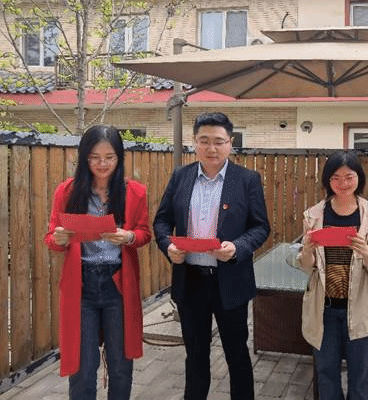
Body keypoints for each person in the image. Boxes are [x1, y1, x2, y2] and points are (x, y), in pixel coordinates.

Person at [153, 112, 270, 400]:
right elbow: (162, 221)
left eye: (219, 141)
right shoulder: (181, 176)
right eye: (204, 141)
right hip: (191, 280)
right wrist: (168, 247)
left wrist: (237, 247)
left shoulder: (247, 179)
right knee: (195, 355)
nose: (211, 148)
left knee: (237, 354)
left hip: (230, 279)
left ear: (230, 143)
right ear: (194, 142)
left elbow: (260, 227)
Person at [44, 125, 151, 399]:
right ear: (84, 157)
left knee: (120, 363)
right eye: (94, 157)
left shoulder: (134, 192)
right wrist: (60, 238)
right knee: (82, 366)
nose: (102, 164)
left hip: (118, 284)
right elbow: (52, 238)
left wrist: (129, 236)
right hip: (82, 284)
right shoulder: (67, 191)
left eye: (109, 157)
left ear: (119, 158)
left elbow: (144, 233)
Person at [295, 150, 368, 400]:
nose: (343, 183)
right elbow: (307, 267)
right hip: (324, 309)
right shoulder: (314, 215)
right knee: (326, 374)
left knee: (359, 377)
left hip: (361, 309)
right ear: (328, 181)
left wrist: (366, 250)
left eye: (349, 177)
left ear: (359, 177)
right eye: (335, 178)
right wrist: (307, 251)